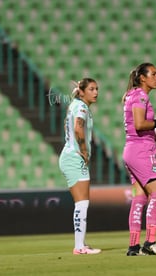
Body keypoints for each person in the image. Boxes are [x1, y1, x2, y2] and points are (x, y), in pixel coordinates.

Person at [122, 63, 156, 256]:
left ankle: (134, 246)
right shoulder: (140, 96)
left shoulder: (133, 95)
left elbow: (141, 129)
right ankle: (150, 242)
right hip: (141, 152)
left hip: (133, 150)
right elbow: (139, 124)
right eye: (153, 74)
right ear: (142, 78)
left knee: (140, 198)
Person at [59, 78, 101, 255]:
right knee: (82, 203)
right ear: (82, 91)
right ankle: (79, 247)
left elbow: (65, 125)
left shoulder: (75, 105)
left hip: (69, 155)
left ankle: (80, 243)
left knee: (81, 203)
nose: (96, 92)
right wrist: (84, 150)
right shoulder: (82, 107)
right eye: (91, 89)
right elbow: (78, 128)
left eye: (97, 89)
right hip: (75, 158)